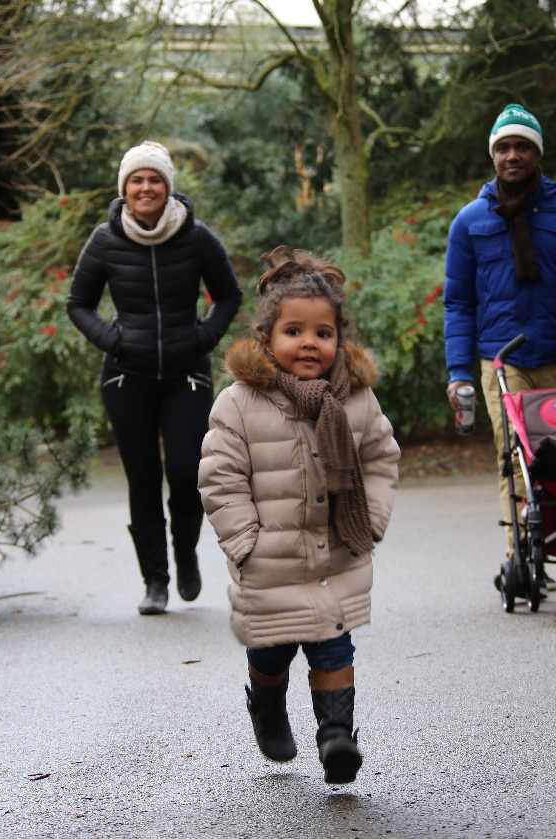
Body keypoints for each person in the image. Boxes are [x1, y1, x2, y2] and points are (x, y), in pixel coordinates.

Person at [198, 247, 400, 785]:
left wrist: (370, 520)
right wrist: (245, 541)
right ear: (266, 338)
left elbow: (381, 459)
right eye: (294, 331)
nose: (309, 342)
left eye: (322, 332)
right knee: (273, 649)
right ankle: (266, 704)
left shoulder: (356, 400)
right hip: (270, 559)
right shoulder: (238, 403)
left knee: (334, 644)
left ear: (339, 339)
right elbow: (220, 478)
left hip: (336, 555)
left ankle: (337, 737)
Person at [442, 103, 556, 598]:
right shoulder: (470, 222)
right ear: (493, 155)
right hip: (501, 363)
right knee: (514, 457)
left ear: (538, 153)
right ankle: (522, 555)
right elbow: (458, 304)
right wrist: (459, 372)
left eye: (522, 146)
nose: (512, 155)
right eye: (503, 147)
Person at [68, 140, 243, 616]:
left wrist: (203, 338)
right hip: (127, 378)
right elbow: (78, 303)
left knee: (187, 473)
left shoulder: (196, 237)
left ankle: (185, 553)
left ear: (167, 187)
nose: (145, 188)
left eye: (154, 179)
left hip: (187, 375)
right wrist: (114, 340)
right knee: (142, 477)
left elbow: (229, 294)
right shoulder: (105, 240)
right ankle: (155, 582)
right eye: (137, 180)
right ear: (124, 189)